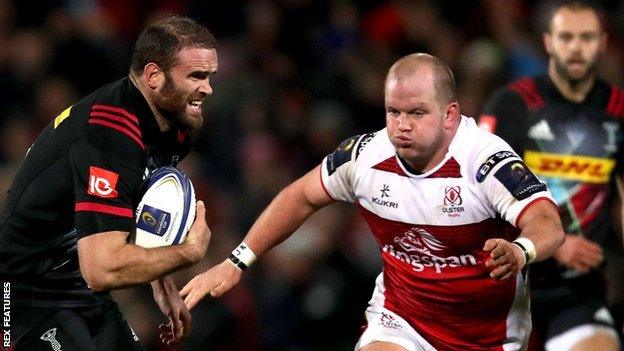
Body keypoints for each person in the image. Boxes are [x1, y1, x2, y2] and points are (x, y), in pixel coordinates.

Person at [181, 53, 565, 350]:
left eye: (417, 113)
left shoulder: (484, 161)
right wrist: (238, 260)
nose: (401, 125)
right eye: (393, 112)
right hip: (403, 320)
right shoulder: (365, 157)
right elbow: (300, 196)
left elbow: (547, 221)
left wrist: (520, 250)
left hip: (487, 336)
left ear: (450, 115)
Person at [0, 15, 215, 350]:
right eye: (196, 76)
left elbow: (141, 204)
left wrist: (164, 284)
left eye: (209, 76)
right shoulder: (109, 136)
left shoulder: (174, 126)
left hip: (79, 285)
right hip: (21, 292)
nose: (208, 88)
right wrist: (187, 253)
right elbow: (101, 268)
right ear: (154, 76)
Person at [479, 2, 623, 350]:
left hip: (577, 291)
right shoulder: (512, 106)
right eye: (566, 37)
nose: (576, 47)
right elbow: (479, 194)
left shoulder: (617, 111)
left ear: (602, 43)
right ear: (548, 43)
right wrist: (553, 244)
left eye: (586, 37)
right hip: (507, 283)